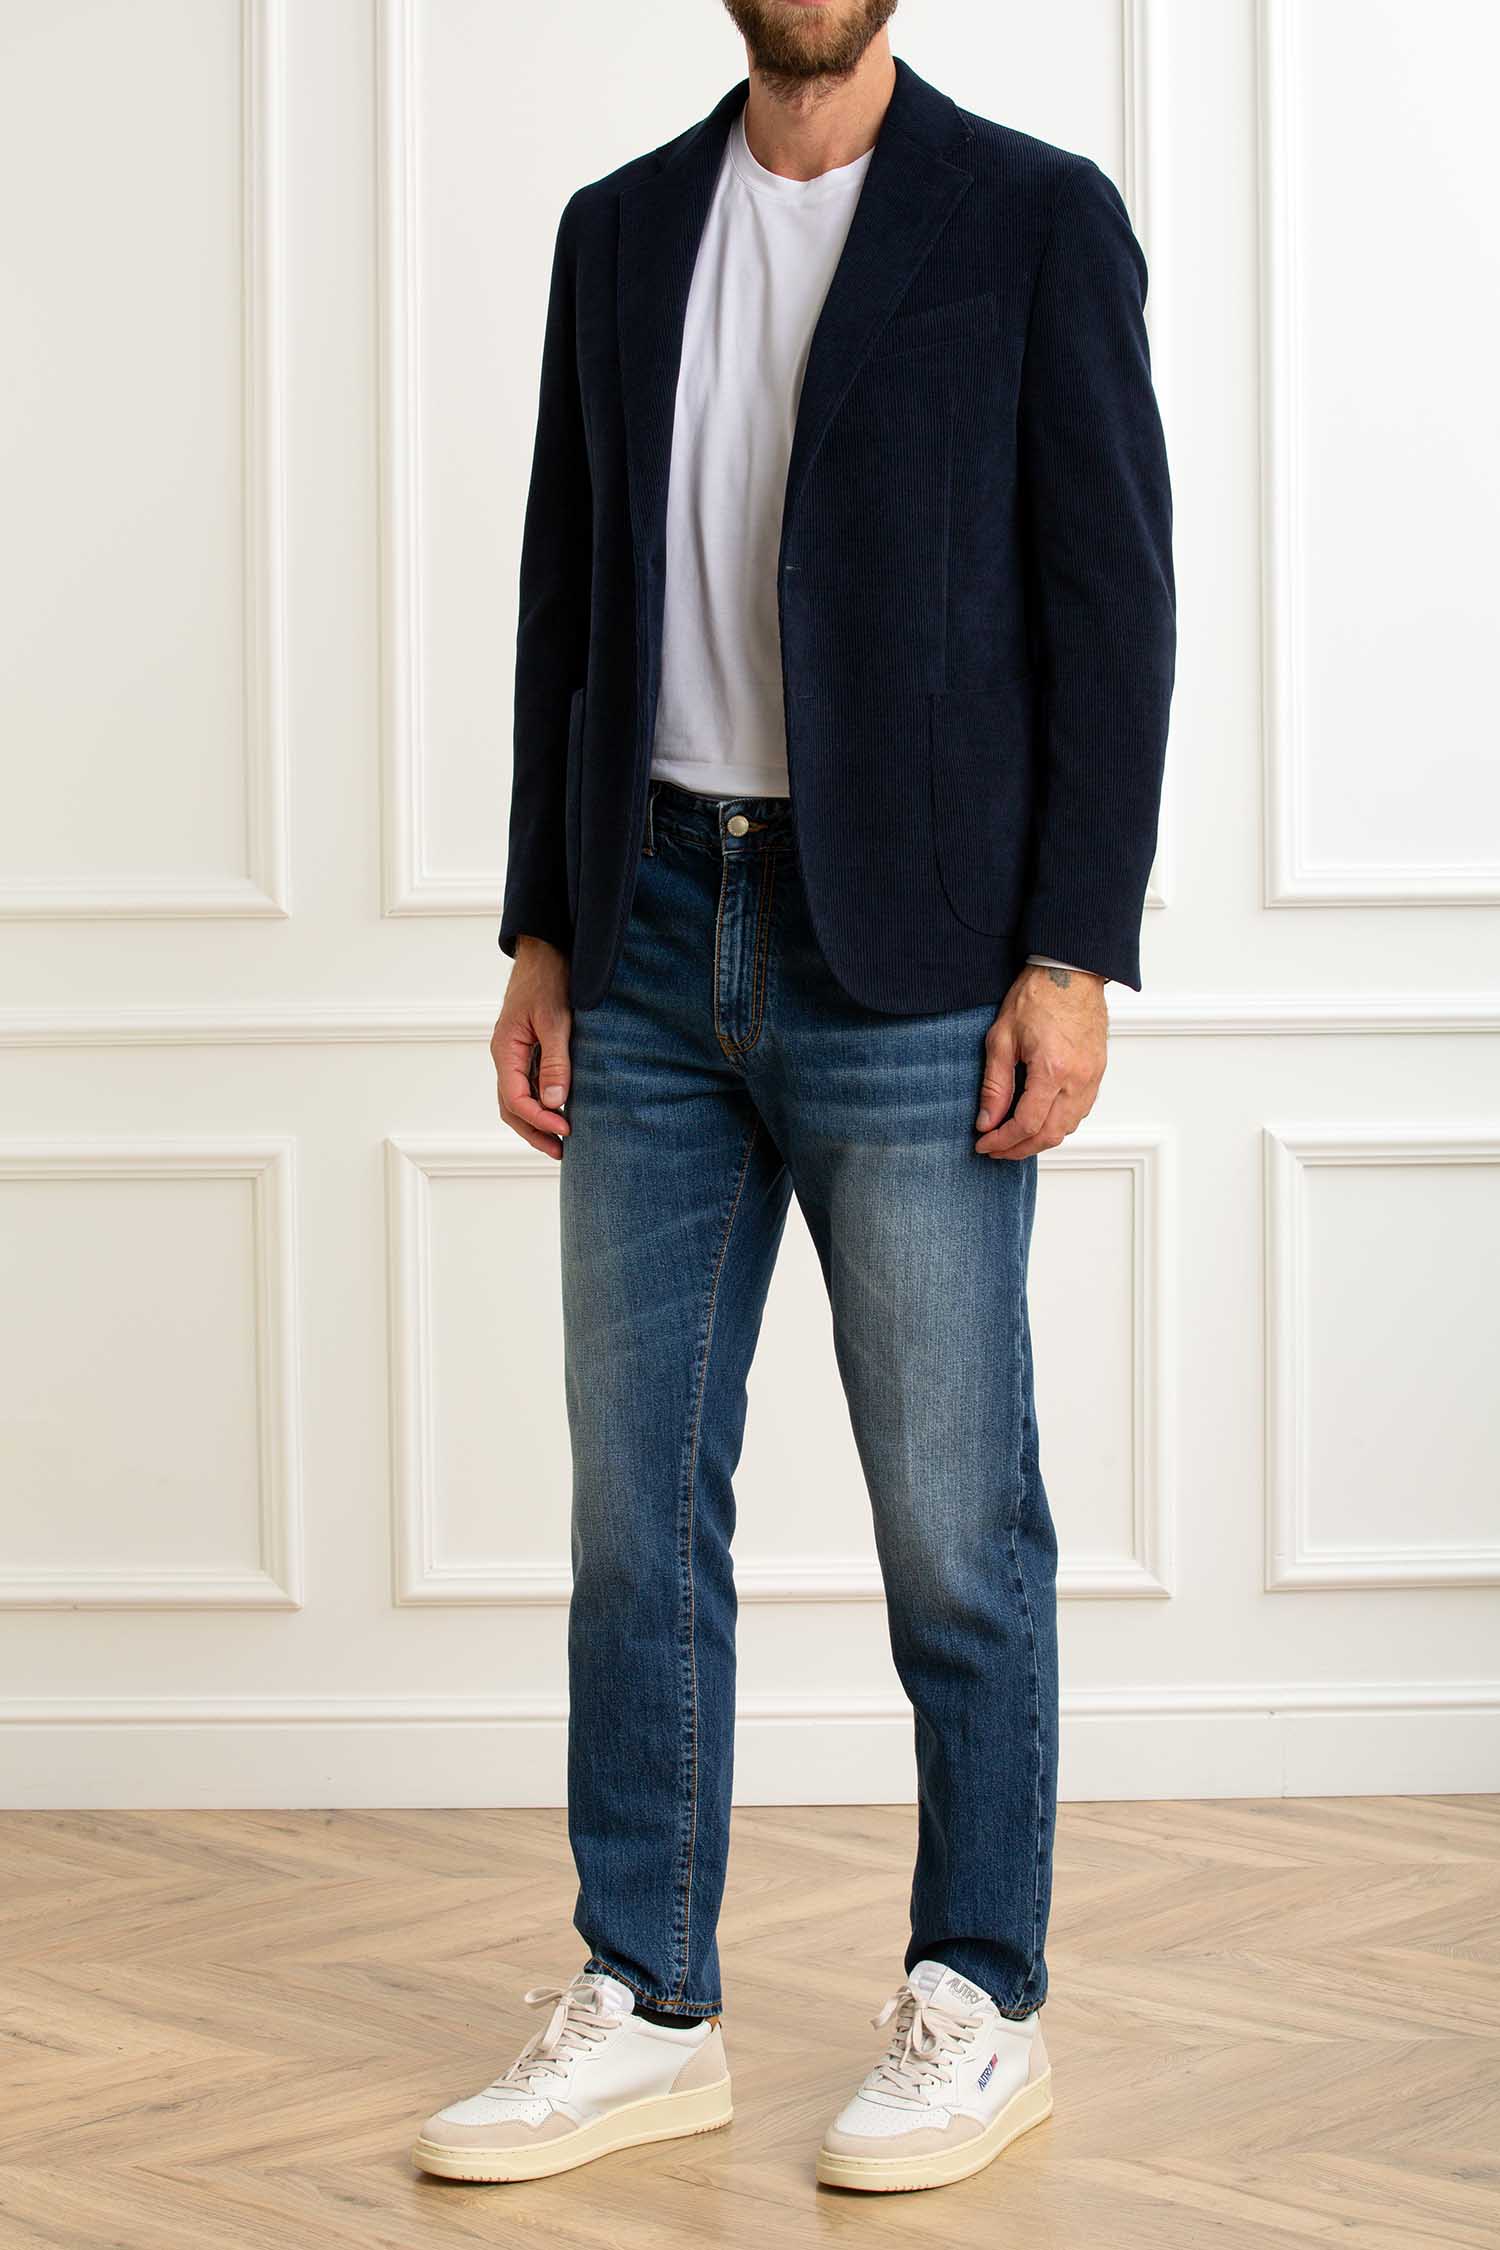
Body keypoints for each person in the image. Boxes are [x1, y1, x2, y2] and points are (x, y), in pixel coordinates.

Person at [414, 0, 1174, 2196]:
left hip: (916, 957)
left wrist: (1072, 952)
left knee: (953, 1515)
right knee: (634, 1511)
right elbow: (567, 598)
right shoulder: (620, 230)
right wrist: (541, 929)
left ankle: (980, 1991)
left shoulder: (1033, 221)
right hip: (650, 928)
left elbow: (1114, 606)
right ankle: (648, 1997)